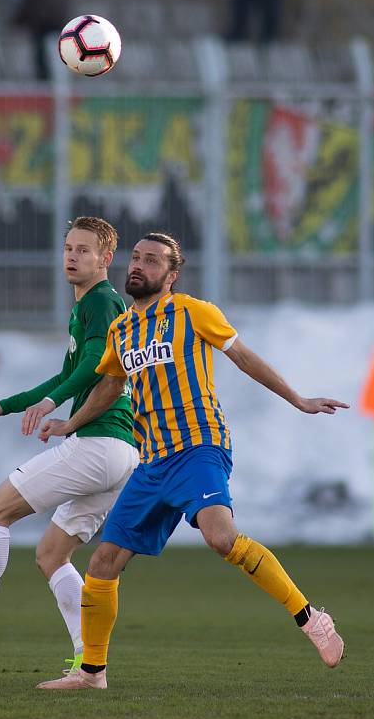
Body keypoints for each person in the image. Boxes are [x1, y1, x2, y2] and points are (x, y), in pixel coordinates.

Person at [35, 232, 349, 690]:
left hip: (199, 446)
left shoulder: (193, 312)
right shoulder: (122, 329)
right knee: (102, 564)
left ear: (172, 274)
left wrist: (298, 399)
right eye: (136, 258)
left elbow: (242, 357)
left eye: (152, 260)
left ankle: (309, 617)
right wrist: (70, 422)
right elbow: (108, 386)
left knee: (222, 538)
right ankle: (91, 674)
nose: (139, 266)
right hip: (153, 460)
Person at [0, 217, 139, 671]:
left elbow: (98, 367)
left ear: (105, 258)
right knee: (52, 553)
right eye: (68, 248)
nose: (72, 256)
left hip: (98, 444)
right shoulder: (89, 306)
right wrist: (6, 404)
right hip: (121, 453)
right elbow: (67, 374)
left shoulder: (101, 301)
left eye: (84, 249)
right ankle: (88, 657)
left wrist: (51, 402)